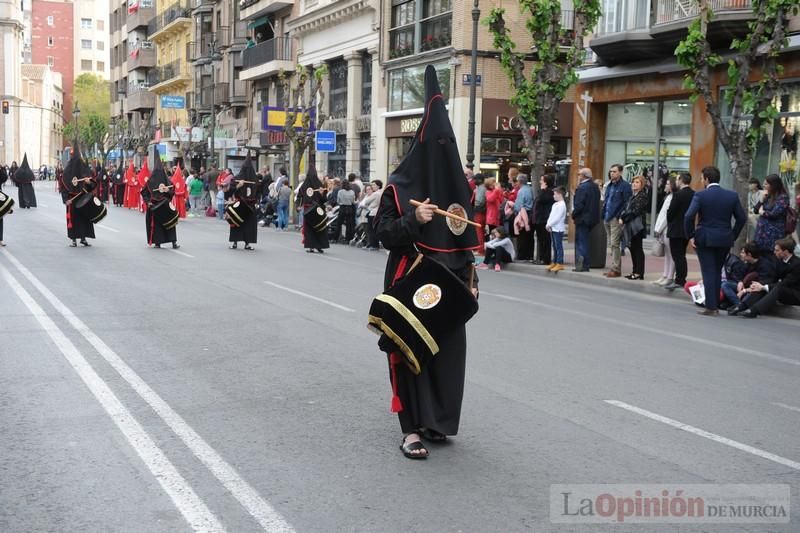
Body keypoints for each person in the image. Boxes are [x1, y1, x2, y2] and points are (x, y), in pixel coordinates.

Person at [375, 65, 479, 460]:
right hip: (411, 281)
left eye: (446, 144)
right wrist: (411, 221)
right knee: (409, 352)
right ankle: (410, 429)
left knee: (447, 354)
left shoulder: (458, 192)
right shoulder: (399, 189)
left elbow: (464, 243)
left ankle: (437, 421)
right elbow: (382, 234)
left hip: (451, 286)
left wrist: (472, 281)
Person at [684, 165, 747, 316]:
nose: (701, 180)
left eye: (702, 178)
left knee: (708, 271)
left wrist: (691, 235)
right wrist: (732, 235)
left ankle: (711, 307)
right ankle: (714, 305)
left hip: (705, 238)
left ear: (706, 179)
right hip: (724, 238)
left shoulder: (700, 195)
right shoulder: (731, 195)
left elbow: (688, 216)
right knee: (717, 271)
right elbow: (741, 218)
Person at [739, 237, 800, 318]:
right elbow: (772, 278)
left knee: (774, 288)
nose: (774, 252)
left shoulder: (797, 264)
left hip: (795, 294)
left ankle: (754, 311)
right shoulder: (778, 260)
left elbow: (785, 283)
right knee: (761, 286)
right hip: (783, 289)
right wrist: (761, 285)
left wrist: (764, 287)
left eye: (777, 250)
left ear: (785, 252)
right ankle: (741, 306)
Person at [59, 144, 98, 247]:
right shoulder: (67, 172)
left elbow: (92, 185)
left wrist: (88, 182)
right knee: (74, 220)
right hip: (72, 200)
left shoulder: (84, 169)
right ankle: (73, 240)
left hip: (83, 199)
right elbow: (63, 187)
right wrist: (66, 199)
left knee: (84, 219)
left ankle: (83, 238)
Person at [142, 147, 180, 249]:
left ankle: (173, 242)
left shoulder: (167, 182)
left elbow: (172, 191)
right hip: (155, 206)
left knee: (170, 223)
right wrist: (148, 202)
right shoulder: (150, 182)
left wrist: (168, 191)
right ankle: (158, 242)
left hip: (165, 205)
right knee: (157, 226)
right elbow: (144, 193)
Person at [725, 242, 777, 314]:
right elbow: (741, 274)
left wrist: (744, 291)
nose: (741, 255)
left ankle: (740, 306)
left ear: (749, 254)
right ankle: (738, 304)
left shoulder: (765, 265)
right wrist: (740, 282)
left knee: (754, 292)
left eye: (743, 253)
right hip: (746, 286)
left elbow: (761, 284)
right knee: (726, 285)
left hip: (758, 288)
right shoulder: (748, 263)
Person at [664, 172, 695, 291]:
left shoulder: (677, 195)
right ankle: (681, 278)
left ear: (681, 180)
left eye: (677, 179)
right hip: (687, 229)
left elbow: (670, 212)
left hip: (676, 229)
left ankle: (680, 279)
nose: (676, 182)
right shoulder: (694, 194)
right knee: (681, 254)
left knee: (677, 255)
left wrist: (670, 220)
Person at [602, 164, 632, 278]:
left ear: (620, 172)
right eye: (611, 171)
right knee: (611, 243)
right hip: (607, 216)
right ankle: (613, 266)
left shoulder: (625, 186)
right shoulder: (609, 185)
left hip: (615, 218)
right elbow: (606, 200)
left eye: (614, 171)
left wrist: (620, 216)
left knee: (615, 243)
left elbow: (626, 203)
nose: (612, 173)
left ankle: (616, 269)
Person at [227, 153, 260, 250]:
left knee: (249, 225)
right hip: (239, 205)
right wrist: (238, 186)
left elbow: (259, 192)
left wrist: (256, 200)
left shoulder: (255, 179)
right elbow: (230, 190)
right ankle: (235, 242)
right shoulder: (237, 178)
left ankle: (247, 243)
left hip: (250, 206)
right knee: (236, 223)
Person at [571, 168, 601, 272]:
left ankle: (583, 265)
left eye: (579, 174)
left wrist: (573, 214)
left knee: (581, 241)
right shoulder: (595, 187)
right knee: (585, 240)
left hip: (583, 218)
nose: (578, 176)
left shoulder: (582, 188)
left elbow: (579, 205)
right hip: (592, 218)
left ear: (584, 176)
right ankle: (585, 264)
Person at [619, 175, 649, 280]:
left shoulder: (642, 196)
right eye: (633, 182)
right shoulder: (633, 196)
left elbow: (635, 211)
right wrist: (622, 217)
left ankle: (639, 272)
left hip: (637, 227)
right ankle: (635, 271)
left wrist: (624, 219)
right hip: (630, 226)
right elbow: (627, 209)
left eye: (637, 182)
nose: (634, 184)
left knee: (637, 249)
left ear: (642, 185)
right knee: (632, 248)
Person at [753, 173, 790, 255]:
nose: (763, 185)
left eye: (766, 184)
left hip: (773, 233)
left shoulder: (783, 197)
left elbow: (774, 214)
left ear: (773, 185)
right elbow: (756, 210)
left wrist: (762, 212)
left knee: (771, 256)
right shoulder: (767, 195)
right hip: (761, 233)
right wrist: (761, 200)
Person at [296, 166, 330, 253]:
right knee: (319, 227)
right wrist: (322, 194)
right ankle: (319, 246)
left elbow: (299, 196)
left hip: (308, 209)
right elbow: (324, 199)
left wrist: (299, 206)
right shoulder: (319, 184)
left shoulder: (304, 185)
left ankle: (311, 246)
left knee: (309, 228)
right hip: (318, 209)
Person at [652, 175, 676, 286]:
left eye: (667, 184)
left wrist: (659, 228)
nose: (665, 186)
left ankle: (669, 276)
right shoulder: (668, 197)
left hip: (667, 229)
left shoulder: (673, 198)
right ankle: (665, 275)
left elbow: (666, 216)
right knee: (667, 254)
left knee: (671, 254)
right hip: (663, 229)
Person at [532, 174, 555, 265]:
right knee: (541, 239)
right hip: (539, 218)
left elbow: (542, 199)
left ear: (546, 182)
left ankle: (545, 259)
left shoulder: (549, 192)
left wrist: (542, 190)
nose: (540, 181)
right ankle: (541, 257)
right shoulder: (543, 191)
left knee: (545, 239)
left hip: (544, 218)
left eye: (542, 180)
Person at [512, 174, 534, 261]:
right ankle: (530, 254)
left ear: (519, 182)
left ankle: (522, 255)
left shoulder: (521, 191)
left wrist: (513, 207)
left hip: (523, 213)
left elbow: (518, 205)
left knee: (522, 236)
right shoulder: (531, 189)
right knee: (529, 236)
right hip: (530, 213)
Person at [547, 186, 568, 272]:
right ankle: (555, 261)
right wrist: (548, 224)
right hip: (553, 228)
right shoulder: (555, 204)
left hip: (558, 228)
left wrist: (550, 224)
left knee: (558, 246)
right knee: (554, 246)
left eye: (555, 194)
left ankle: (560, 263)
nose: (553, 196)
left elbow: (558, 217)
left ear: (560, 194)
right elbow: (551, 216)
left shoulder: (562, 205)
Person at [362, 179, 383, 250]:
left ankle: (373, 245)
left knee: (371, 229)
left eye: (374, 185)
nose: (372, 186)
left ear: (378, 186)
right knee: (373, 229)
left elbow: (366, 201)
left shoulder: (376, 193)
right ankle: (372, 244)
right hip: (375, 212)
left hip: (373, 212)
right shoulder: (380, 193)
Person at [472, 173, 487, 254]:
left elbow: (479, 202)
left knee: (479, 231)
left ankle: (480, 249)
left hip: (479, 212)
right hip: (481, 212)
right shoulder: (480, 188)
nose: (474, 181)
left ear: (480, 180)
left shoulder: (481, 189)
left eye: (475, 179)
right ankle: (479, 249)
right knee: (479, 230)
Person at [746, 177, 763, 242]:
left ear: (756, 184)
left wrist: (752, 210)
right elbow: (748, 204)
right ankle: (747, 238)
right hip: (752, 212)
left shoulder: (761, 192)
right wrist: (749, 209)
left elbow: (761, 204)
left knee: (751, 216)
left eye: (751, 184)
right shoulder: (749, 194)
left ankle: (759, 233)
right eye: (749, 184)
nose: (749, 186)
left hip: (759, 212)